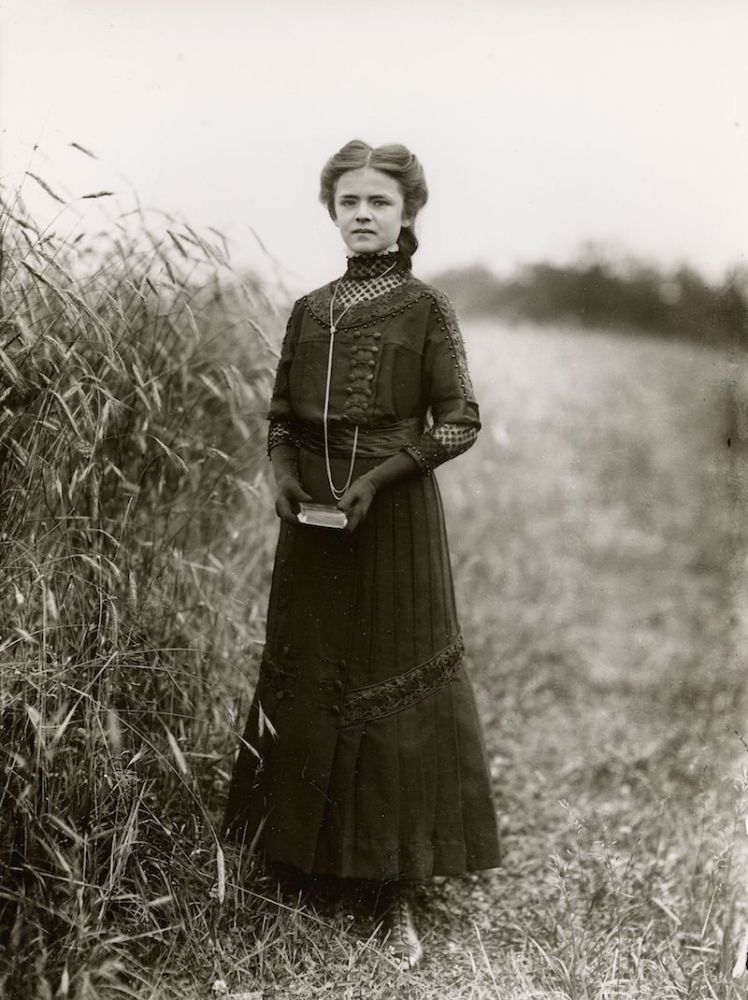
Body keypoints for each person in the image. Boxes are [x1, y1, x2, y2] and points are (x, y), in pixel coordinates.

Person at [223, 140, 501, 969]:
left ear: (407, 213)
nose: (364, 214)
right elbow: (279, 412)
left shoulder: (428, 309)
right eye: (350, 203)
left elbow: (459, 420)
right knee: (310, 669)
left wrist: (381, 477)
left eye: (380, 201)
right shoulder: (309, 310)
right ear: (333, 212)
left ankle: (392, 892)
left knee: (390, 680)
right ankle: (306, 862)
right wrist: (279, 472)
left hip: (394, 515)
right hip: (311, 519)